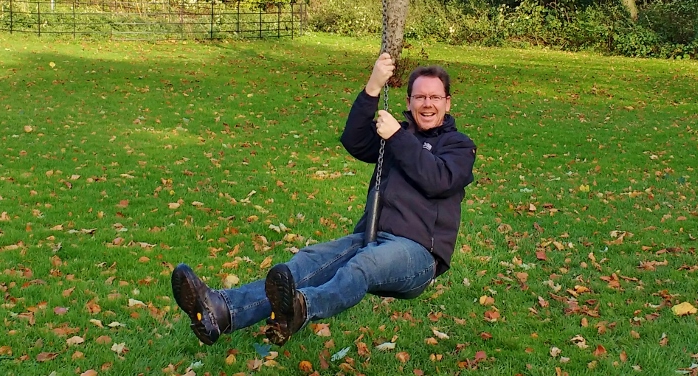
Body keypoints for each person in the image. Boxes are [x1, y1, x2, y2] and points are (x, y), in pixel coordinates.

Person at [171, 53, 477, 346]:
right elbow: (354, 140)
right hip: (372, 238)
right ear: (409, 101)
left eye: (435, 97)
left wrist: (398, 136)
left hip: (419, 255)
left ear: (447, 103)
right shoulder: (396, 136)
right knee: (309, 261)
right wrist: (373, 87)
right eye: (420, 97)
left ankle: (301, 309)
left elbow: (439, 180)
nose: (427, 104)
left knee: (363, 265)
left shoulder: (459, 146)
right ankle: (222, 311)